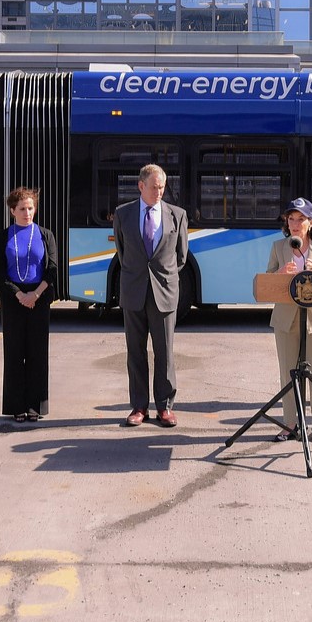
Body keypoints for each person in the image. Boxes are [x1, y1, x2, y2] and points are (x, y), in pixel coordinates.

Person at [114, 163, 189, 427]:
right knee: (135, 351)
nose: (159, 192)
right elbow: (123, 254)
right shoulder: (123, 214)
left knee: (164, 352)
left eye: (162, 187)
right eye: (154, 187)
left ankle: (165, 407)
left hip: (164, 293)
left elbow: (180, 257)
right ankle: (139, 407)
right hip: (133, 291)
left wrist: (162, 278)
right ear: (141, 186)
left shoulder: (177, 215)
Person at [267, 197, 312, 443]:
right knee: (288, 372)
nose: (295, 224)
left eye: (300, 219)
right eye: (291, 219)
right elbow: (267, 281)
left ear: (310, 222)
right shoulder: (279, 246)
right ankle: (290, 424)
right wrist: (279, 274)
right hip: (286, 318)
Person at [0, 187, 58, 423]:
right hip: (13, 300)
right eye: (22, 209)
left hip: (39, 300)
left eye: (30, 208)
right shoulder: (3, 236)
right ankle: (16, 406)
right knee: (14, 353)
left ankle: (35, 405)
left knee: (37, 354)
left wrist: (36, 294)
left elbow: (52, 269)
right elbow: (0, 273)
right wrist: (20, 295)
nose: (27, 212)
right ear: (12, 211)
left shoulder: (45, 234)